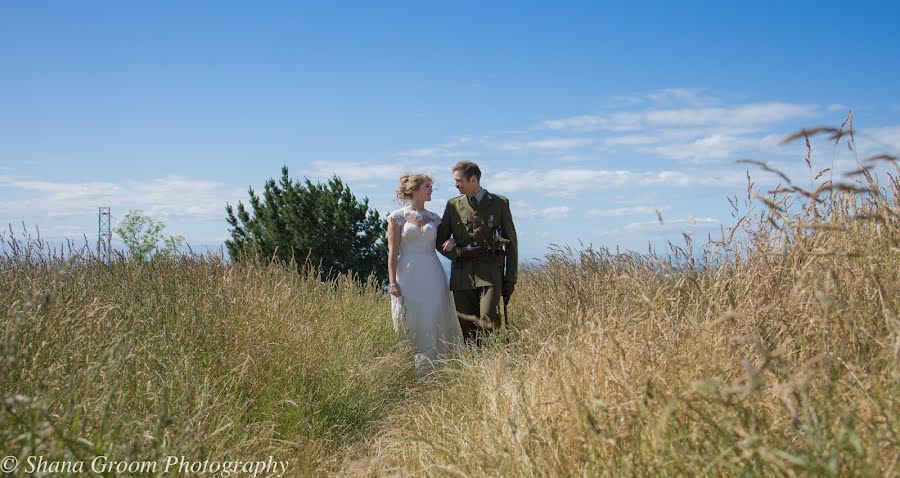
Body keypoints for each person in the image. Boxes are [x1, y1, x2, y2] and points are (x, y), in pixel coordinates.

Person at [387, 173, 463, 379]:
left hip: (432, 274)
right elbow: (392, 253)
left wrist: (454, 243)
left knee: (433, 319)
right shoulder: (397, 217)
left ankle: (433, 372)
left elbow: (444, 243)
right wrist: (392, 281)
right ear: (415, 189)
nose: (431, 190)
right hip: (407, 274)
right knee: (410, 322)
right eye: (428, 186)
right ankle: (407, 369)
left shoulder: (435, 219)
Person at [436, 161, 518, 346]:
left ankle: (491, 367)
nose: (455, 185)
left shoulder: (499, 203)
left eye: (459, 181)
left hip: (490, 273)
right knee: (468, 329)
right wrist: (458, 251)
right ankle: (474, 369)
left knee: (489, 322)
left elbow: (511, 243)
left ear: (473, 179)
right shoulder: (453, 205)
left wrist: (511, 278)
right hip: (462, 275)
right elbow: (439, 241)